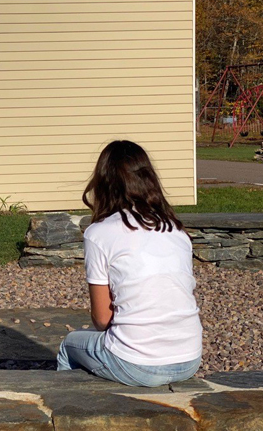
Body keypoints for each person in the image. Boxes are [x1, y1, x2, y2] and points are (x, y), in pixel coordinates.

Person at [57, 140, 203, 387]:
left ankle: (71, 410)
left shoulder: (99, 234)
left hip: (136, 363)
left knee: (69, 346)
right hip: (189, 358)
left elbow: (102, 319)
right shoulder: (177, 231)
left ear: (103, 183)